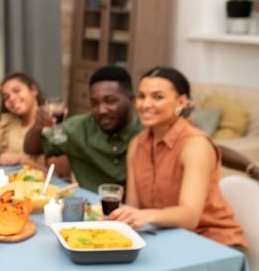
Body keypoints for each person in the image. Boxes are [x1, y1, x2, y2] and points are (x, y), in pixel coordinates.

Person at [109, 66, 247, 271]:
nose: (146, 104)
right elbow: (134, 205)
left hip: (218, 247)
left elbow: (190, 215)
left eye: (158, 96)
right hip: (168, 242)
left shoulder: (195, 144)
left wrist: (143, 216)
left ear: (181, 102)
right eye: (141, 96)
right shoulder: (137, 145)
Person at [23, 65, 259, 192]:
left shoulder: (147, 131)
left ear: (130, 98)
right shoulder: (77, 128)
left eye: (110, 101)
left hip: (142, 218)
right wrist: (38, 126)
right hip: (98, 215)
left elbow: (207, 146)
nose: (101, 110)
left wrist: (251, 168)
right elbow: (31, 146)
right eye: (94, 103)